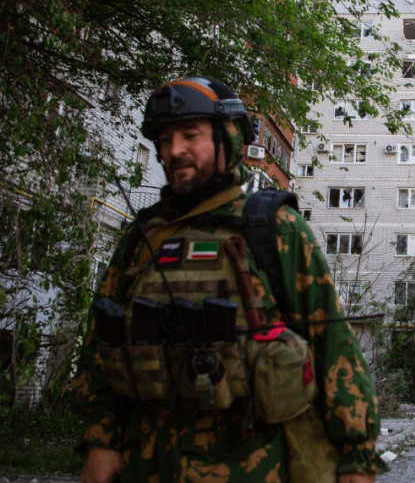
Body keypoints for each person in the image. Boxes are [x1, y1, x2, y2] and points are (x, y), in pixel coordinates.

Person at [69, 76, 385, 483]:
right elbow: (101, 345)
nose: (174, 150)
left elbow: (335, 352)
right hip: (145, 462)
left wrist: (356, 461)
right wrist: (101, 440)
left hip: (250, 462)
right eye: (164, 139)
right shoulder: (143, 237)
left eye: (190, 135)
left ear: (227, 140)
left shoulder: (273, 229)